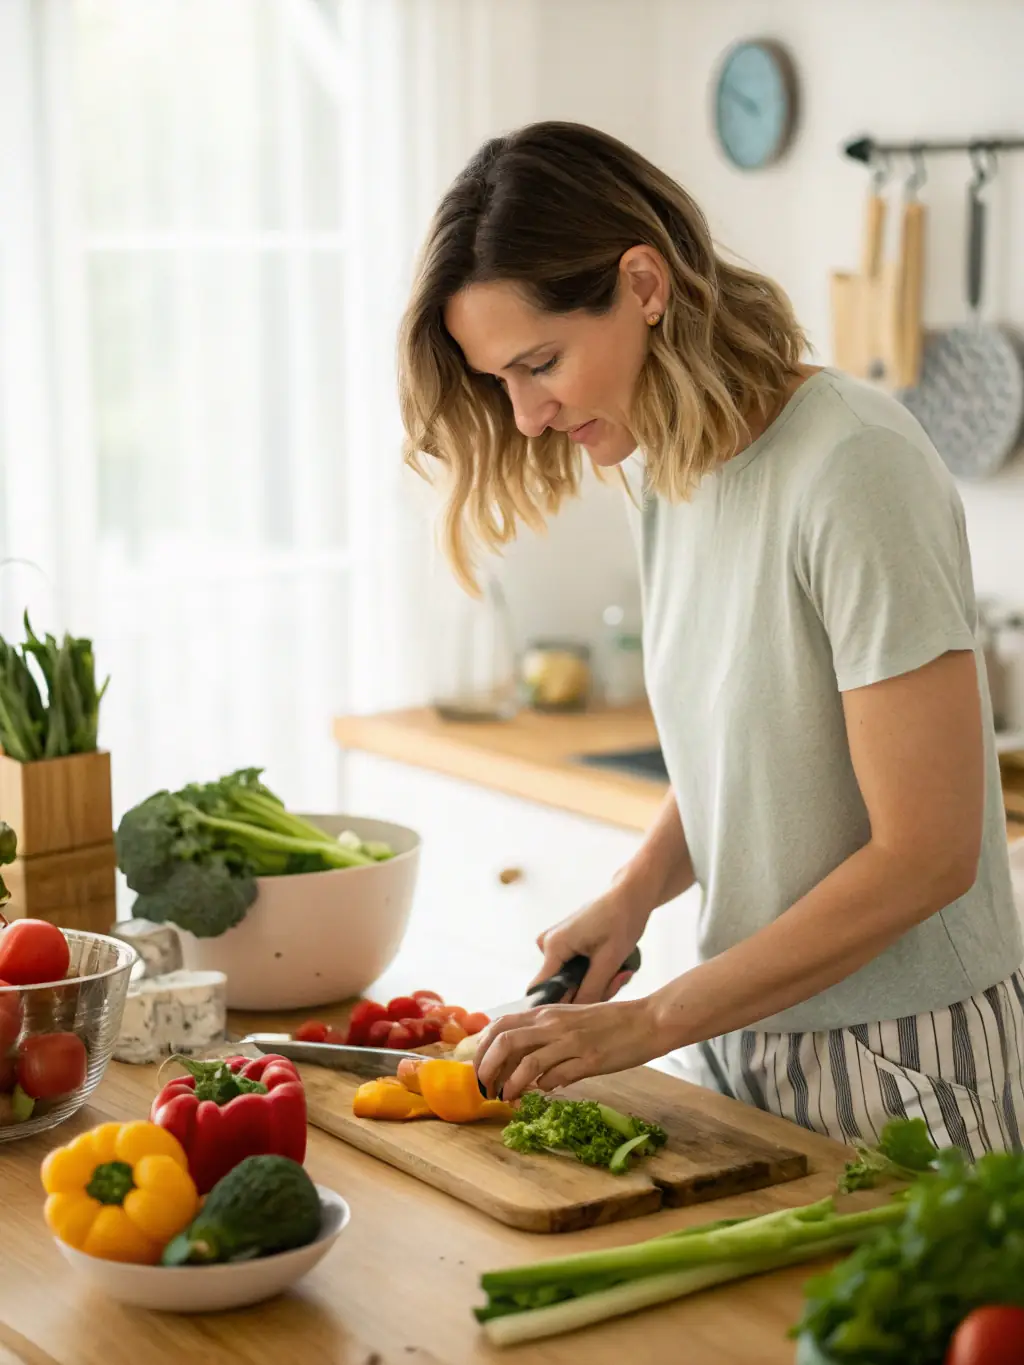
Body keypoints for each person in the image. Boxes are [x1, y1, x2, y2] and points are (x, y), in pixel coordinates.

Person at [397, 120, 1024, 1157]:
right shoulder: (665, 469)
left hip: (909, 1056)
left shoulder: (853, 465)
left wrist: (647, 1022)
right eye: (498, 379)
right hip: (746, 1034)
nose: (522, 417)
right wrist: (632, 896)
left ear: (644, 284)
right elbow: (754, 747)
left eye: (539, 363)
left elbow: (928, 856)